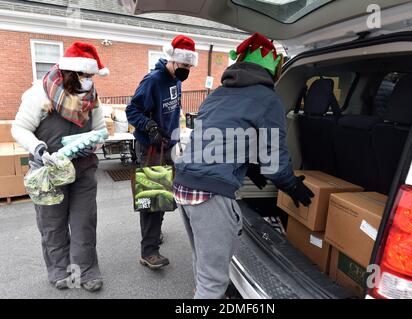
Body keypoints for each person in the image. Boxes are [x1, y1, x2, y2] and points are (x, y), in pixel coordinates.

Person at [173, 33, 315, 299]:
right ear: (274, 68)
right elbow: (274, 160)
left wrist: (250, 168)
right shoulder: (268, 99)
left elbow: (217, 136)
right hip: (210, 194)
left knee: (203, 263)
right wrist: (292, 185)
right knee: (213, 282)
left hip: (184, 184)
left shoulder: (218, 94)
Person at [11, 42, 109, 292]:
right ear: (70, 74)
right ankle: (59, 270)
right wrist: (39, 149)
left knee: (84, 221)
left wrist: (93, 143)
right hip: (48, 171)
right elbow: (19, 128)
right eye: (85, 76)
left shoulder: (91, 97)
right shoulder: (40, 94)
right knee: (52, 224)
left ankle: (86, 271)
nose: (89, 81)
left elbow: (99, 130)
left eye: (91, 76)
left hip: (83, 168)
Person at [126, 35, 198, 270]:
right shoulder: (154, 80)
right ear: (173, 60)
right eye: (184, 65)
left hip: (167, 145)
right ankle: (149, 252)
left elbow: (171, 109)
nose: (187, 70)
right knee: (152, 198)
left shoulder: (176, 81)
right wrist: (150, 126)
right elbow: (132, 110)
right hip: (150, 147)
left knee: (164, 194)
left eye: (189, 66)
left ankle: (154, 236)